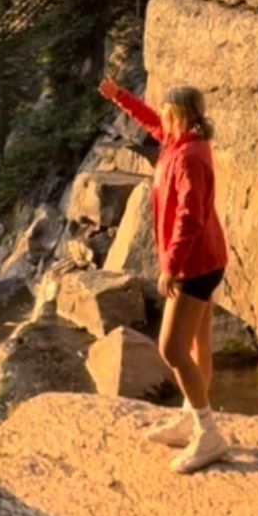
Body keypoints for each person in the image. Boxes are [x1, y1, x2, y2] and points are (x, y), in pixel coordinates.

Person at [99, 75, 230, 474]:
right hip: (206, 258)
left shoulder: (190, 156)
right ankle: (192, 417)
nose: (163, 120)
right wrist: (120, 96)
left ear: (182, 115)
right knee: (197, 347)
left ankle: (208, 433)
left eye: (168, 113)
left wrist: (171, 266)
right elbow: (149, 121)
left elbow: (190, 216)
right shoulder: (179, 141)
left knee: (171, 349)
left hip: (195, 264)